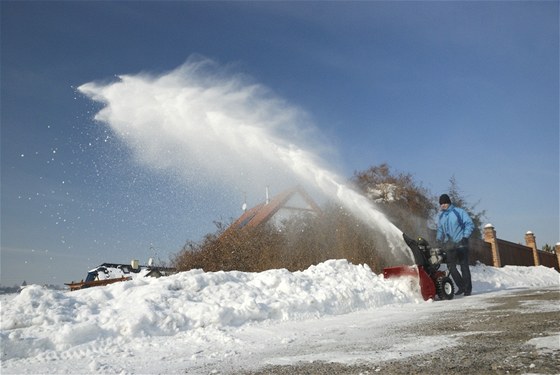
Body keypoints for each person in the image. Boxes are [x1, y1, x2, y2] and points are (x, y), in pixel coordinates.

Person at [436, 194, 475, 296]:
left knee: (464, 267)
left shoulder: (458, 212)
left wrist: (465, 237)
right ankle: (461, 286)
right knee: (451, 266)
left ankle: (467, 289)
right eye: (441, 204)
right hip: (450, 245)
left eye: (445, 203)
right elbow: (440, 230)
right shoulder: (441, 216)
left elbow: (469, 224)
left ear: (448, 202)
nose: (443, 205)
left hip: (461, 243)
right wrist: (439, 239)